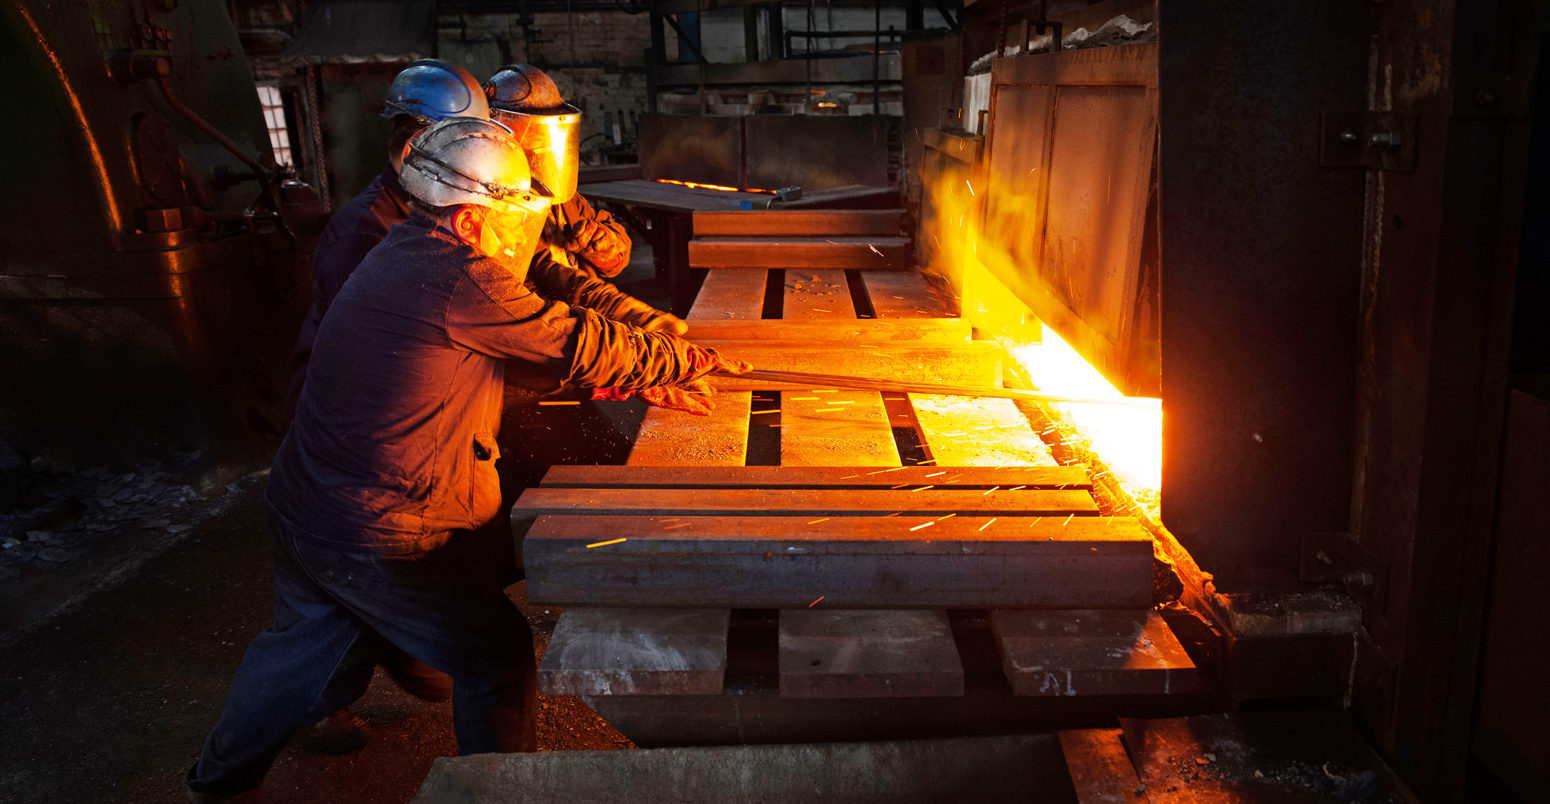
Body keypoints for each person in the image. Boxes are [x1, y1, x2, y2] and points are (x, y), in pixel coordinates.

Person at [187, 117, 747, 803]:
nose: (519, 234)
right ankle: (500, 793)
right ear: (476, 214)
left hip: (308, 505)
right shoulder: (461, 278)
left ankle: (215, 786)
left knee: (301, 650)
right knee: (496, 660)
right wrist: (681, 356)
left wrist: (628, 374)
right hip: (376, 529)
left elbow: (474, 361)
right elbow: (567, 338)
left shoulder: (402, 249)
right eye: (511, 217)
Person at [485, 64, 648, 291]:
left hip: (576, 311)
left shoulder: (561, 197)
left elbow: (617, 261)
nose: (538, 141)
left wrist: (605, 248)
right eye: (528, 128)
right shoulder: (488, 203)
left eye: (541, 130)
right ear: (498, 127)